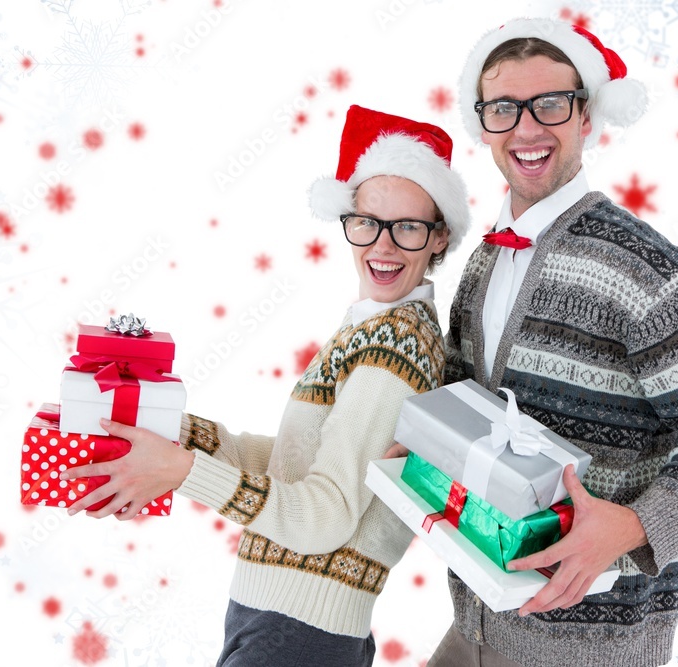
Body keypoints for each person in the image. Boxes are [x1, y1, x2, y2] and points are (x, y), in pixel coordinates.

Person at [403, 17, 678, 667]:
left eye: (550, 103)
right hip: (476, 623)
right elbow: (472, 407)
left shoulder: (645, 267)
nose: (526, 127)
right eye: (504, 108)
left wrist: (635, 526)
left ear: (585, 115)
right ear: (482, 122)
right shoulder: (484, 260)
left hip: (591, 646)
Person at [61, 105, 472, 667]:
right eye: (368, 222)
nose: (383, 246)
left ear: (439, 235)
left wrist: (179, 471)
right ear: (347, 220)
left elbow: (326, 516)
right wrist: (166, 435)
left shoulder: (397, 342)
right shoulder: (371, 326)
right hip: (277, 619)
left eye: (407, 227)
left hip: (298, 632)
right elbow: (292, 463)